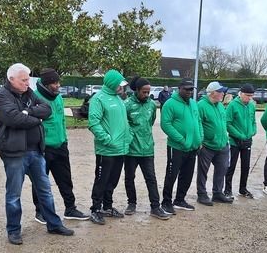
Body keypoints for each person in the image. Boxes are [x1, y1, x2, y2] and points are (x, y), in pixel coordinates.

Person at [0, 63, 74, 245]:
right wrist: (36, 119)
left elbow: (47, 109)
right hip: (14, 153)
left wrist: (28, 111)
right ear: (11, 79)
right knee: (13, 194)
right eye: (23, 80)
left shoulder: (29, 93)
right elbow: (14, 119)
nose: (27, 83)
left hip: (36, 151)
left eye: (28, 79)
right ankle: (13, 230)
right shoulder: (1, 96)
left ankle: (53, 224)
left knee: (45, 190)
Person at [31, 68, 89, 223]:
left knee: (65, 179)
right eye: (54, 83)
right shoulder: (34, 97)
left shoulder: (58, 97)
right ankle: (40, 211)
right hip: (43, 147)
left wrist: (65, 139)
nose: (58, 85)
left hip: (61, 145)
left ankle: (70, 208)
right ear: (46, 83)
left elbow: (62, 120)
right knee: (41, 181)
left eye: (58, 82)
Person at [123, 76, 171, 220]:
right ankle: (131, 203)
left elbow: (150, 122)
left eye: (148, 92)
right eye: (143, 92)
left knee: (151, 178)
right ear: (136, 90)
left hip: (147, 149)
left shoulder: (151, 105)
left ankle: (155, 207)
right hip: (131, 150)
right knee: (129, 177)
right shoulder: (127, 105)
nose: (146, 95)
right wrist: (131, 138)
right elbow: (124, 126)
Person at [87, 69, 130, 225]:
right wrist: (107, 139)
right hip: (106, 149)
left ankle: (107, 206)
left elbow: (124, 121)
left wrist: (129, 136)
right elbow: (93, 123)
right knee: (101, 179)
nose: (122, 87)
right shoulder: (98, 99)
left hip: (121, 148)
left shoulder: (119, 99)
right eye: (120, 84)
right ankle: (95, 209)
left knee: (113, 179)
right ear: (112, 83)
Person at [160, 80, 203, 213]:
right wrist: (181, 140)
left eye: (191, 90)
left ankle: (180, 199)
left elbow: (198, 121)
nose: (189, 92)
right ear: (179, 88)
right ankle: (166, 202)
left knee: (187, 175)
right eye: (186, 89)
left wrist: (200, 138)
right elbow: (165, 124)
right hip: (177, 147)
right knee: (172, 175)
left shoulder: (194, 104)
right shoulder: (170, 104)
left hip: (193, 147)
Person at [196, 81, 233, 206]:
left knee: (222, 170)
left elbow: (224, 123)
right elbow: (197, 125)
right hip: (207, 145)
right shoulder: (201, 106)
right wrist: (201, 142)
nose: (223, 94)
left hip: (222, 144)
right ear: (212, 93)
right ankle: (201, 194)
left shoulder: (220, 106)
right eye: (220, 91)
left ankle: (217, 193)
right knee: (203, 172)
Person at [224, 84, 257, 198]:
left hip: (247, 140)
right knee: (231, 166)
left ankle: (243, 188)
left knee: (246, 166)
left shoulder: (252, 106)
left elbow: (253, 121)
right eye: (248, 95)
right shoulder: (232, 105)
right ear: (241, 94)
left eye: (251, 96)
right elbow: (227, 123)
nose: (250, 98)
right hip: (234, 141)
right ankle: (227, 190)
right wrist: (239, 135)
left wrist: (253, 131)